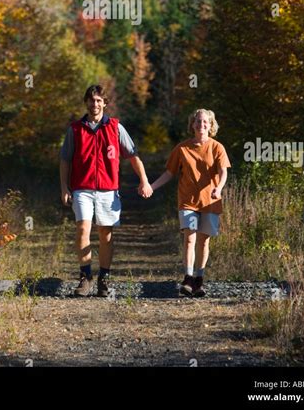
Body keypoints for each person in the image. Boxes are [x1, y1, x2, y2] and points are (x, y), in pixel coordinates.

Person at [60, 85, 153, 297]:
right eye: (92, 100)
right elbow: (65, 160)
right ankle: (85, 278)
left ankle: (104, 278)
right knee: (83, 228)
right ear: (86, 102)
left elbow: (132, 155)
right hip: (81, 188)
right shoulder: (75, 129)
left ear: (105, 103)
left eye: (99, 100)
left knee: (105, 233)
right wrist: (64, 187)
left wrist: (144, 181)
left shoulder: (115, 127)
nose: (95, 104)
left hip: (108, 190)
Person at [151, 108, 230, 298]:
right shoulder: (182, 148)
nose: (201, 125)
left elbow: (223, 171)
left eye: (205, 122)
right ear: (192, 125)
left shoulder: (217, 147)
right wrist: (151, 187)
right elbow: (169, 173)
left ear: (211, 125)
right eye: (198, 121)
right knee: (190, 237)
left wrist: (218, 188)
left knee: (203, 241)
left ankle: (199, 279)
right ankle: (187, 278)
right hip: (188, 202)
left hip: (209, 202)